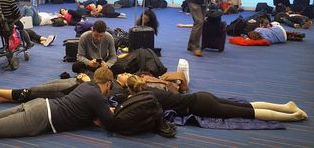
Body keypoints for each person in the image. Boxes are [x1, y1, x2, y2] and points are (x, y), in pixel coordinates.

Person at [126, 75, 308, 122]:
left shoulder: (147, 96)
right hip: (202, 96)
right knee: (245, 105)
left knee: (247, 113)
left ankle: (292, 116)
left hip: (201, 105)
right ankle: (285, 106)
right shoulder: (150, 87)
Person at [0, 73, 91, 105]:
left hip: (71, 94)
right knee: (36, 93)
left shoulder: (105, 93)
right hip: (75, 84)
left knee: (32, 91)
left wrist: (88, 82)